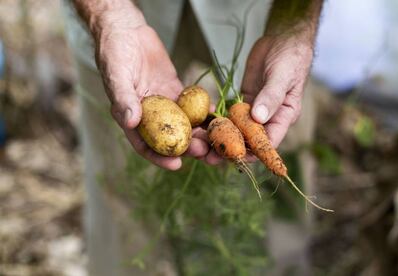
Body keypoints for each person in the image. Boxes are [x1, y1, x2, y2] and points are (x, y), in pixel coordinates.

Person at [62, 0, 323, 275]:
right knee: (121, 184)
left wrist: (293, 29)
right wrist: (108, 17)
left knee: (283, 148)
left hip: (266, 13)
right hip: (123, 20)